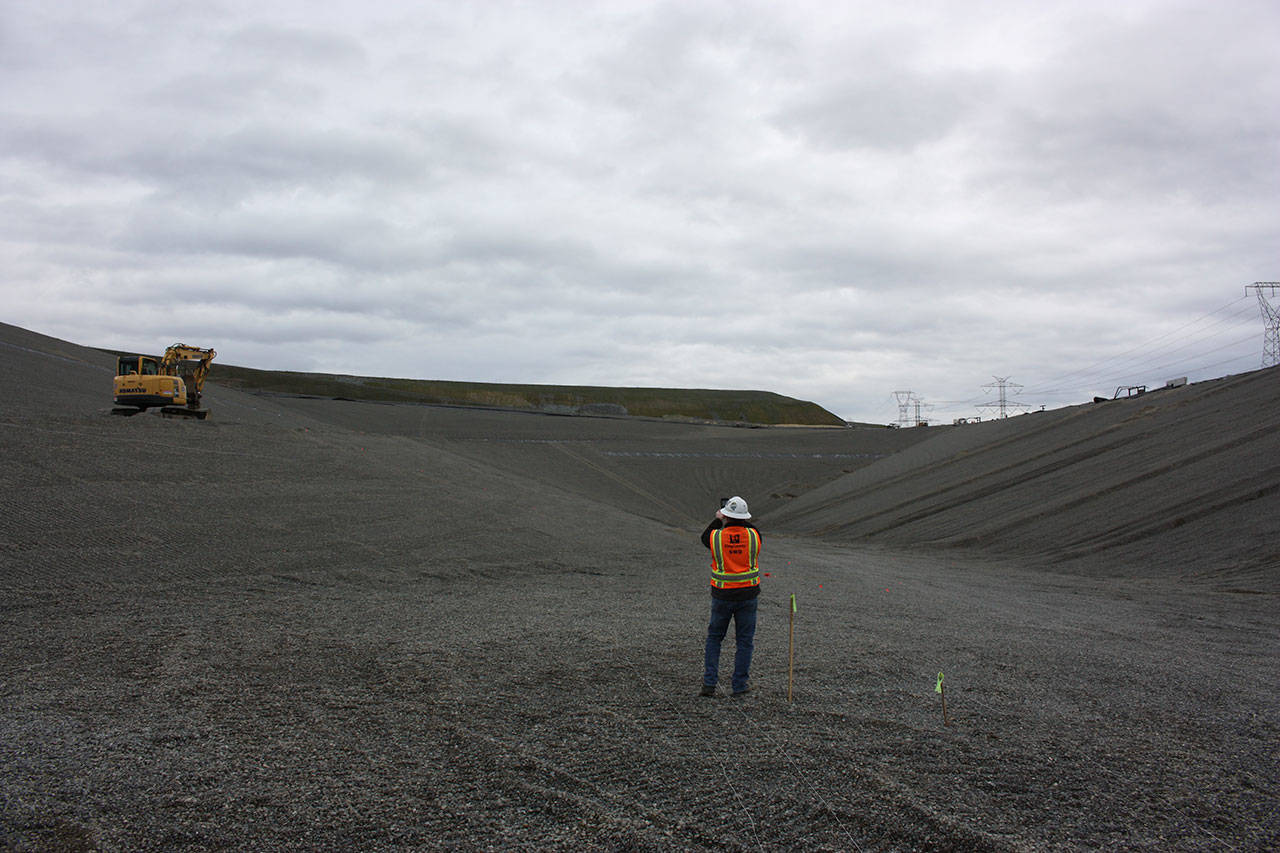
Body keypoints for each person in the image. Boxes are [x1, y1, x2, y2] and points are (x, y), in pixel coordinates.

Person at [699, 495, 762, 698]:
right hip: (748, 595)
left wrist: (719, 518)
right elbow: (754, 531)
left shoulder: (716, 537)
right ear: (745, 518)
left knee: (715, 639)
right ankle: (739, 685)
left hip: (722, 595)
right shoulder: (753, 536)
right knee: (744, 641)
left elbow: (704, 536)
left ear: (726, 516)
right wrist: (737, 517)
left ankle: (709, 684)